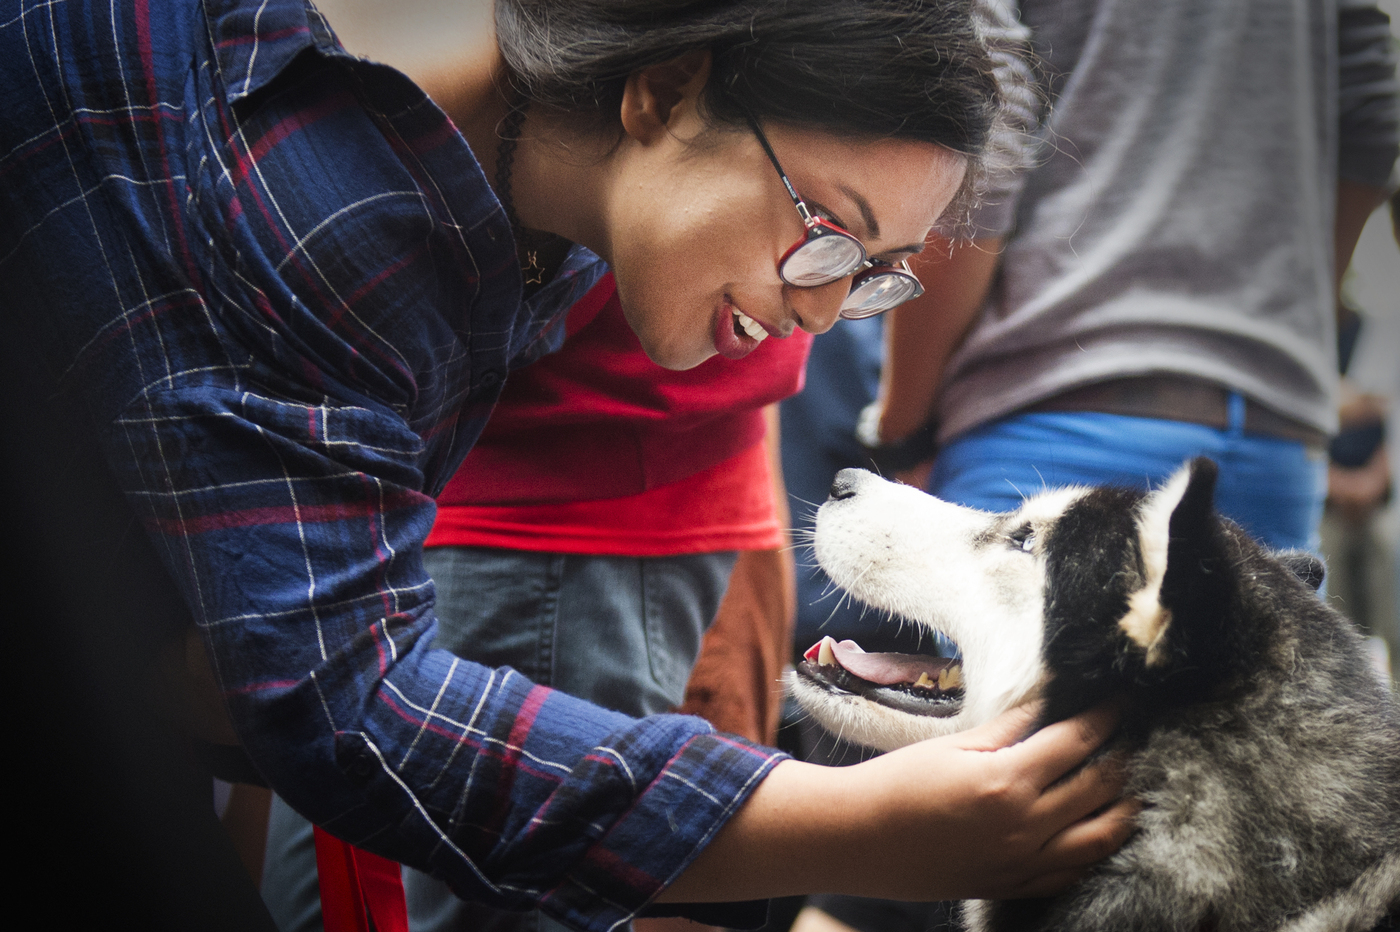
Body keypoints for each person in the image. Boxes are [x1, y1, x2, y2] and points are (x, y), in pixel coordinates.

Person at [0, 1, 1135, 929]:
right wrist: (858, 827)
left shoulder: (543, 198)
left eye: (874, 272)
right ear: (666, 92)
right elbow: (352, 707)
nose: (824, 311)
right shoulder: (322, 206)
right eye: (825, 234)